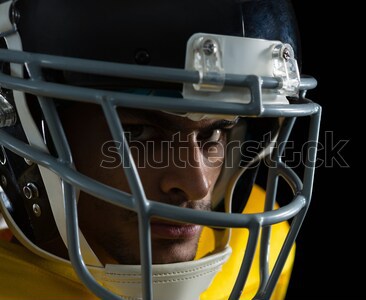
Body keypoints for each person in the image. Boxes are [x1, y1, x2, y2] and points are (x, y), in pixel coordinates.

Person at [0, 0, 321, 299]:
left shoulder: (258, 249)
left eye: (215, 132)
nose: (198, 185)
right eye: (138, 132)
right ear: (30, 124)